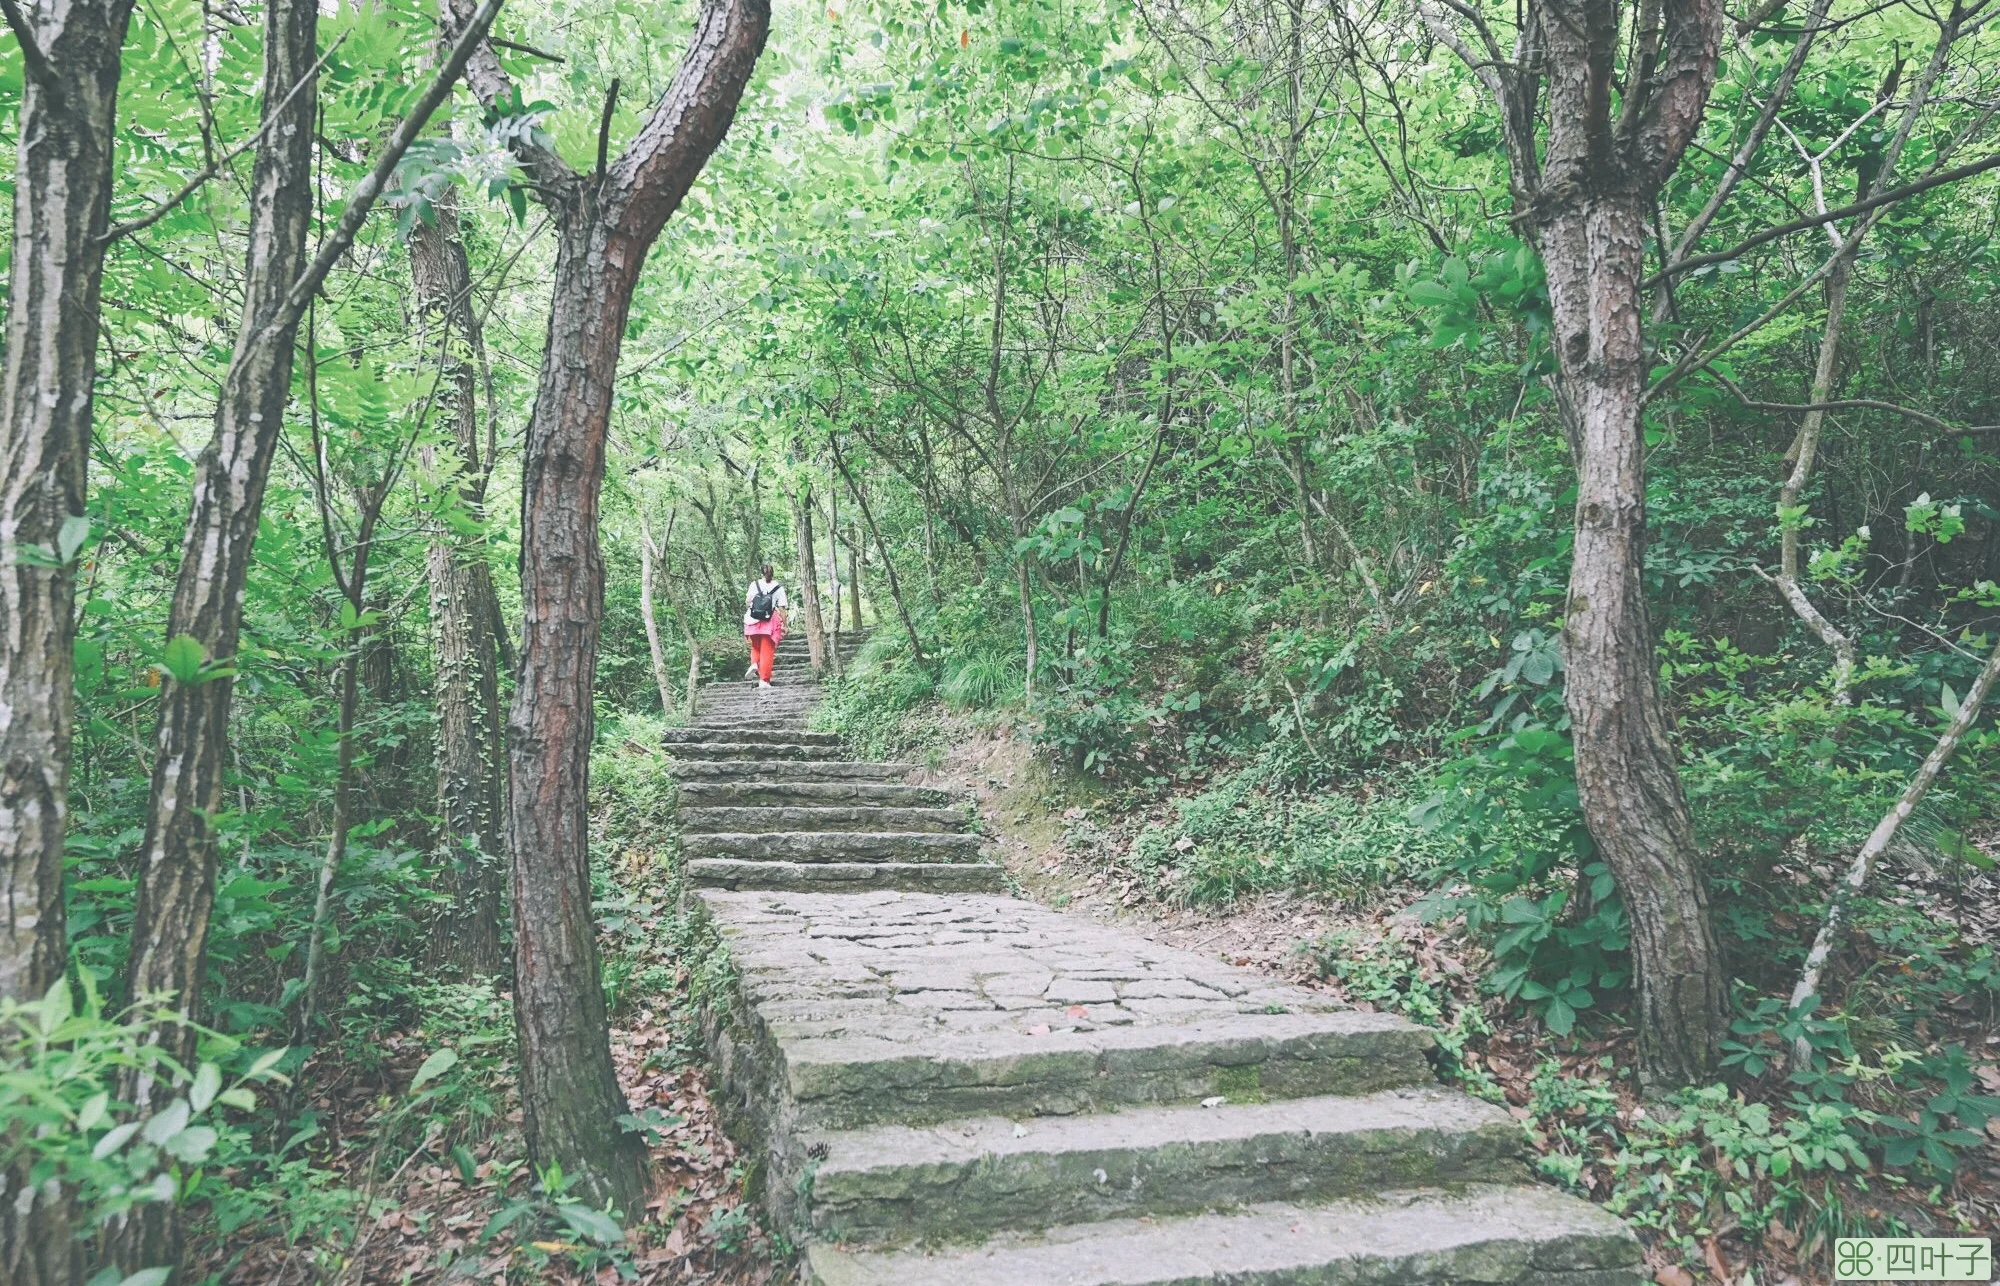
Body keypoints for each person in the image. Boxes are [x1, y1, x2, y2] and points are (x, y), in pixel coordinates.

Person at [742, 564, 788, 688]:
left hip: (753, 619)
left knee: (756, 647)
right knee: (767, 651)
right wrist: (785, 625)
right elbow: (782, 608)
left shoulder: (754, 584)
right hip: (769, 621)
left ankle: (754, 664)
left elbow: (747, 601)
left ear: (761, 573)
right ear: (773, 573)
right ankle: (764, 681)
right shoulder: (778, 587)